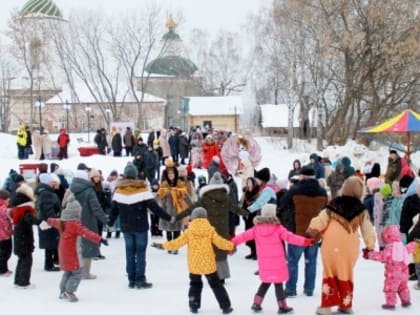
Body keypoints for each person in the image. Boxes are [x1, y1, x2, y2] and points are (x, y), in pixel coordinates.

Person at [306, 176, 376, 315]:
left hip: (331, 244)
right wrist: (370, 245)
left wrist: (311, 231)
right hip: (350, 246)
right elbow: (367, 229)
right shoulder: (361, 210)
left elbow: (320, 220)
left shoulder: (333, 205)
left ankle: (326, 307)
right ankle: (345, 305)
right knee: (346, 273)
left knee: (329, 273)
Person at [232, 204, 315, 314]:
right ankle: (282, 306)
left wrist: (232, 243)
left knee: (266, 282)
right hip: (277, 262)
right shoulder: (278, 228)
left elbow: (243, 236)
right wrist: (305, 241)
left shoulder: (256, 229)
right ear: (274, 214)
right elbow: (291, 237)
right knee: (278, 283)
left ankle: (256, 303)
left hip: (264, 263)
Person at [151, 207, 234, 314]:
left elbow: (176, 243)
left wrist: (163, 246)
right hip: (209, 263)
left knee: (195, 284)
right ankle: (225, 306)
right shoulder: (210, 230)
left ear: (193, 217)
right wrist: (231, 245)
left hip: (194, 264)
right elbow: (220, 242)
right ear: (205, 217)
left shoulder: (189, 232)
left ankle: (194, 305)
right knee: (216, 285)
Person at [108, 163, 174, 289]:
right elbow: (155, 209)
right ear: (136, 175)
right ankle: (140, 279)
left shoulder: (118, 192)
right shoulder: (143, 191)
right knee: (140, 253)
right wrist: (169, 218)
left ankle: (131, 279)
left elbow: (113, 211)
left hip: (126, 227)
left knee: (129, 253)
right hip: (140, 227)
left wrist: (110, 222)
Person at [176, 172, 248, 282]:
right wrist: (247, 214)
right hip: (223, 229)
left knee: (210, 252)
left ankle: (212, 275)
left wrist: (178, 216)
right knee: (221, 253)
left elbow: (192, 209)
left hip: (209, 230)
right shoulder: (226, 198)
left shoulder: (205, 198)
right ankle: (222, 276)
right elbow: (236, 209)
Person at [46, 195, 108, 302]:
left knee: (68, 272)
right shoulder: (74, 225)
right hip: (73, 252)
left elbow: (51, 220)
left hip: (62, 251)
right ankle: (69, 291)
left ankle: (62, 290)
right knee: (77, 272)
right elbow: (87, 233)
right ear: (76, 213)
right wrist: (100, 239)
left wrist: (45, 220)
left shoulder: (61, 222)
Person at [278, 165, 328, 297]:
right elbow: (325, 211)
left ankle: (290, 288)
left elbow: (282, 204)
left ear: (302, 176)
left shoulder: (295, 190)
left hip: (297, 231)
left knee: (293, 260)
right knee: (311, 261)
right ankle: (309, 288)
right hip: (314, 232)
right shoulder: (322, 192)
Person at [363, 225, 417, 310]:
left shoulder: (389, 249)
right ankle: (406, 301)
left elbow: (381, 256)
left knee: (390, 289)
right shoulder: (402, 246)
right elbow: (409, 248)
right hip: (404, 274)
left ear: (387, 237)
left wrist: (369, 254)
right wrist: (414, 245)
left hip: (393, 275)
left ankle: (390, 303)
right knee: (403, 287)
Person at [69, 169, 108, 280]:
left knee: (75, 246)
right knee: (87, 247)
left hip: (72, 220)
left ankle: (74, 269)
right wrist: (105, 220)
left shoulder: (70, 189)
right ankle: (85, 272)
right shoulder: (89, 191)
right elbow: (96, 208)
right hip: (87, 220)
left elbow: (63, 205)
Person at [9, 183, 44, 288]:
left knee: (21, 259)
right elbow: (29, 219)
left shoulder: (18, 207)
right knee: (26, 260)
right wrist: (40, 222)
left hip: (19, 237)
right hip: (24, 238)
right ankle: (23, 282)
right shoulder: (26, 208)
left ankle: (18, 280)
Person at [156, 160, 192, 253]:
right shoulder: (164, 185)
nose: (171, 176)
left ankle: (175, 247)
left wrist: (192, 206)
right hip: (166, 210)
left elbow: (186, 196)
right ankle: (169, 246)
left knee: (177, 231)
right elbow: (158, 196)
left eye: (172, 174)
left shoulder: (180, 184)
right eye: (169, 174)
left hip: (177, 210)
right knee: (168, 231)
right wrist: (159, 203)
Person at [35, 173, 62, 272]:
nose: (53, 183)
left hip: (47, 221)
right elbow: (48, 209)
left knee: (51, 243)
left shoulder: (45, 192)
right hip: (49, 222)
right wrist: (55, 220)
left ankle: (52, 262)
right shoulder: (47, 193)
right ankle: (49, 265)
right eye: (52, 182)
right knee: (50, 243)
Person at [0, 190, 12, 276]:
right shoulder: (2, 208)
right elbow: (7, 212)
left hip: (5, 234)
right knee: (4, 253)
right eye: (8, 200)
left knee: (5, 253)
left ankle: (4, 268)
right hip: (3, 235)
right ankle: (3, 270)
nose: (9, 201)